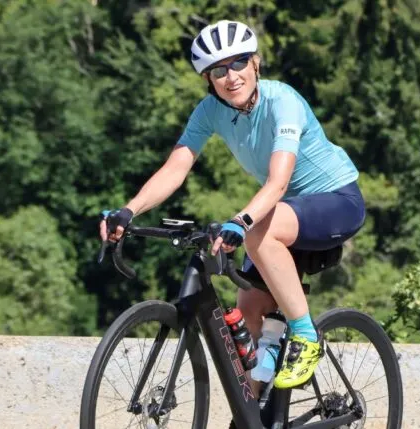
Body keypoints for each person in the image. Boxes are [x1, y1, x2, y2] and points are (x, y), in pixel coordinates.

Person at [99, 20, 365, 390]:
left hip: (336, 201)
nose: (231, 77)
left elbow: (279, 182)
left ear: (256, 63)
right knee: (250, 316)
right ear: (208, 80)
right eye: (218, 71)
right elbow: (177, 167)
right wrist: (129, 210)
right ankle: (252, 416)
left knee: (256, 234)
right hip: (278, 214)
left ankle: (306, 338)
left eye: (239, 63)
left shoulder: (282, 101)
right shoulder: (210, 111)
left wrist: (240, 221)